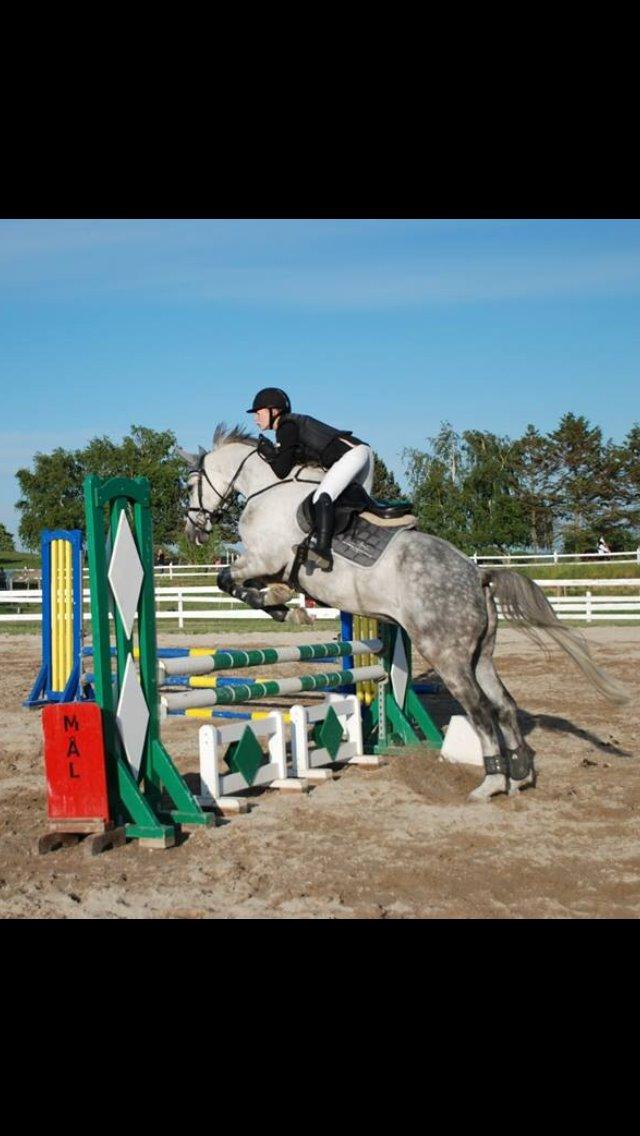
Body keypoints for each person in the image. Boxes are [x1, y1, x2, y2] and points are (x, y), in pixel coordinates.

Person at [247, 387, 374, 570]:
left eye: (258, 413)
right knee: (356, 511)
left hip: (353, 455)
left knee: (322, 495)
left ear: (273, 411)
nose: (255, 418)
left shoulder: (286, 426)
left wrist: (269, 455)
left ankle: (323, 551)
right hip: (362, 452)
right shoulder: (291, 424)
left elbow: (282, 471)